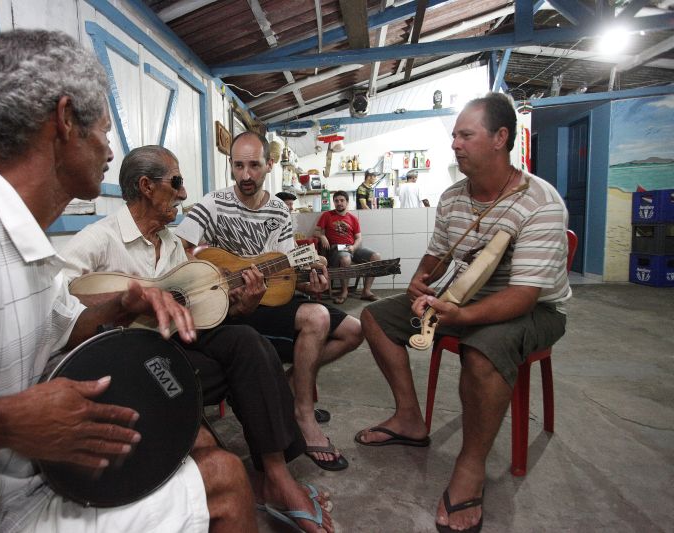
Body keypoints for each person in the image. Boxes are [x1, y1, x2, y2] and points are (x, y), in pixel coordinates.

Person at [0, 29, 257, 533]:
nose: (108, 149)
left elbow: (66, 329)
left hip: (22, 494)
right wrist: (1, 422)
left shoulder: (29, 246)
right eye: (102, 130)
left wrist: (122, 302)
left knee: (206, 451)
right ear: (64, 121)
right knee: (225, 482)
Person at [61, 145, 332, 533]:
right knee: (183, 380)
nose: (184, 193)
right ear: (146, 187)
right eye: (176, 182)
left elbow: (194, 311)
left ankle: (275, 474)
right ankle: (238, 478)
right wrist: (126, 301)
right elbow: (60, 295)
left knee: (247, 341)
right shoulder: (102, 237)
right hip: (126, 364)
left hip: (172, 344)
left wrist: (242, 305)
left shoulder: (171, 244)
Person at [354, 92, 570, 533]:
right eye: (454, 135)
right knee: (374, 318)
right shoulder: (454, 197)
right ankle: (410, 419)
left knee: (483, 350)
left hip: (534, 307)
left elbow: (524, 296)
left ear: (500, 138)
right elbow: (436, 255)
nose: (455, 144)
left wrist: (460, 317)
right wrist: (421, 281)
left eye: (466, 135)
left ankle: (470, 467)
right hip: (462, 298)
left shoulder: (540, 202)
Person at [176, 132, 364, 472]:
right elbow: (181, 248)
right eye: (238, 166)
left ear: (269, 165)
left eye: (254, 166)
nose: (246, 175)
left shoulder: (279, 210)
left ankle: (287, 392)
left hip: (270, 297)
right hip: (232, 308)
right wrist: (205, 259)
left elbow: (287, 263)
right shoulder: (214, 203)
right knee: (317, 319)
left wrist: (314, 270)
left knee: (353, 329)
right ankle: (303, 416)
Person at [315, 190, 382, 304]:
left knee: (376, 256)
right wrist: (322, 236)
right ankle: (344, 292)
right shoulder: (327, 215)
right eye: (336, 201)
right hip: (336, 249)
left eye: (342, 200)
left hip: (352, 248)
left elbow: (359, 238)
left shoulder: (353, 218)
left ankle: (366, 291)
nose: (339, 203)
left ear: (347, 202)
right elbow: (316, 232)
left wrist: (354, 248)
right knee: (346, 259)